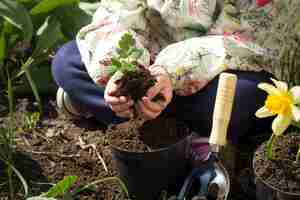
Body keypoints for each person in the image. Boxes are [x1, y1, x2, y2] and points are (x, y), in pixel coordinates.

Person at [52, 0, 274, 158]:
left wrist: (170, 71)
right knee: (67, 61)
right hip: (149, 59)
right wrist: (124, 71)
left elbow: (245, 42)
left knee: (247, 94)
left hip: (212, 71)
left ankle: (114, 112)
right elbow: (117, 13)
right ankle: (177, 125)